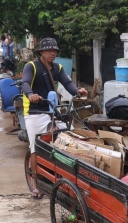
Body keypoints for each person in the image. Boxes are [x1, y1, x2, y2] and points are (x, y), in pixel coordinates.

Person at [22, 37, 87, 199]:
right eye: (49, 50)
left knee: (70, 137)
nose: (53, 53)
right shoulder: (31, 66)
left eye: (55, 50)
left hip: (53, 110)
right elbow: (25, 83)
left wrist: (77, 91)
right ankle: (36, 185)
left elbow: (67, 83)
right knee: (35, 147)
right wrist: (31, 94)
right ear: (41, 52)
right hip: (35, 111)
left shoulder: (57, 68)